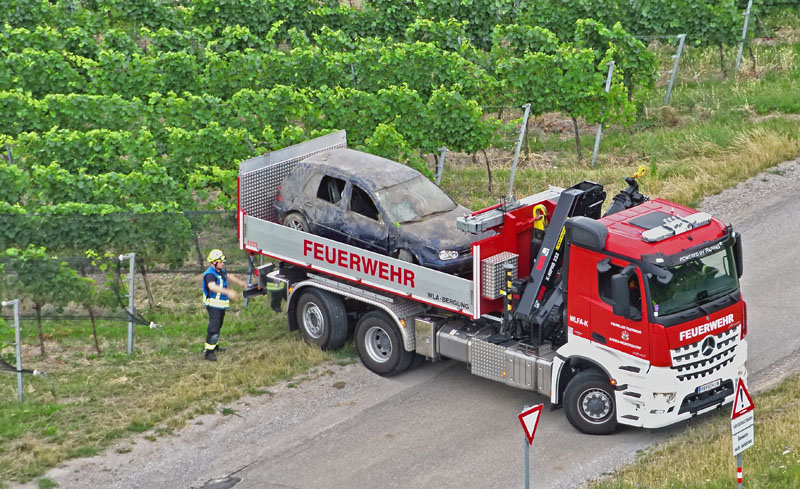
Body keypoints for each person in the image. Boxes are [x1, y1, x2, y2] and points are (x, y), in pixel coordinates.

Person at [202, 249, 247, 361]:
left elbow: (229, 276)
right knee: (214, 328)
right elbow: (212, 287)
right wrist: (228, 292)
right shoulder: (209, 274)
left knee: (219, 325)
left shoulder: (220, 270)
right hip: (213, 305)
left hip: (221, 305)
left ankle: (214, 346)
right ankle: (208, 352)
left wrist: (242, 283)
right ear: (214, 262)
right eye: (221, 261)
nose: (223, 263)